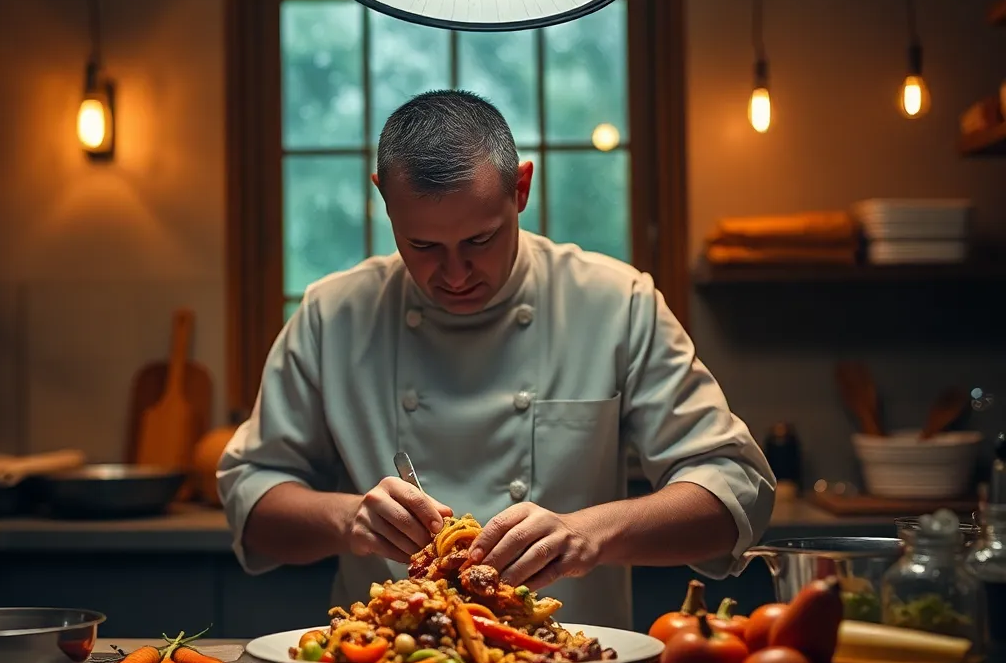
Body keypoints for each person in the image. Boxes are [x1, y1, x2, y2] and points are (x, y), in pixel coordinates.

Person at [217, 89, 776, 628]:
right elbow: (252, 502)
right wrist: (349, 521)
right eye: (424, 247)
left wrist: (588, 533)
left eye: (481, 240)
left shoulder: (616, 303)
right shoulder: (331, 314)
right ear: (384, 196)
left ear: (521, 189)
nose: (456, 275)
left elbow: (736, 489)